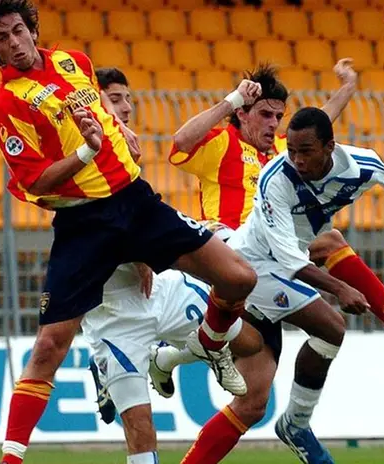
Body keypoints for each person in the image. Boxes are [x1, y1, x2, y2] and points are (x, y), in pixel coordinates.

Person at [0, 2, 258, 463]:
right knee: (48, 346)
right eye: (1, 39)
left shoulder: (74, 62)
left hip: (135, 203)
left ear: (32, 29)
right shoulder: (5, 103)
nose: (13, 43)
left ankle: (208, 345)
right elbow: (34, 181)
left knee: (240, 279)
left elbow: (96, 99)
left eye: (18, 31)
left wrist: (118, 124)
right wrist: (87, 153)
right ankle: (10, 459)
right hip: (85, 225)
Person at [171, 107, 384, 464]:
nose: (295, 159)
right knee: (332, 323)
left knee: (252, 403)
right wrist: (340, 289)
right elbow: (289, 260)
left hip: (281, 267)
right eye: (291, 150)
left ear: (330, 146)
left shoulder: (362, 165)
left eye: (305, 151)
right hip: (253, 266)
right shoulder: (274, 179)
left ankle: (291, 422)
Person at [77, 67, 263, 463]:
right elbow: (92, 233)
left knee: (250, 341)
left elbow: (145, 216)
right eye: (115, 99)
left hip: (159, 291)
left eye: (128, 99)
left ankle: (166, 358)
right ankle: (112, 370)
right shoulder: (81, 160)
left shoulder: (127, 152)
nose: (126, 107)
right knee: (141, 428)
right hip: (114, 312)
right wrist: (138, 250)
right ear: (94, 105)